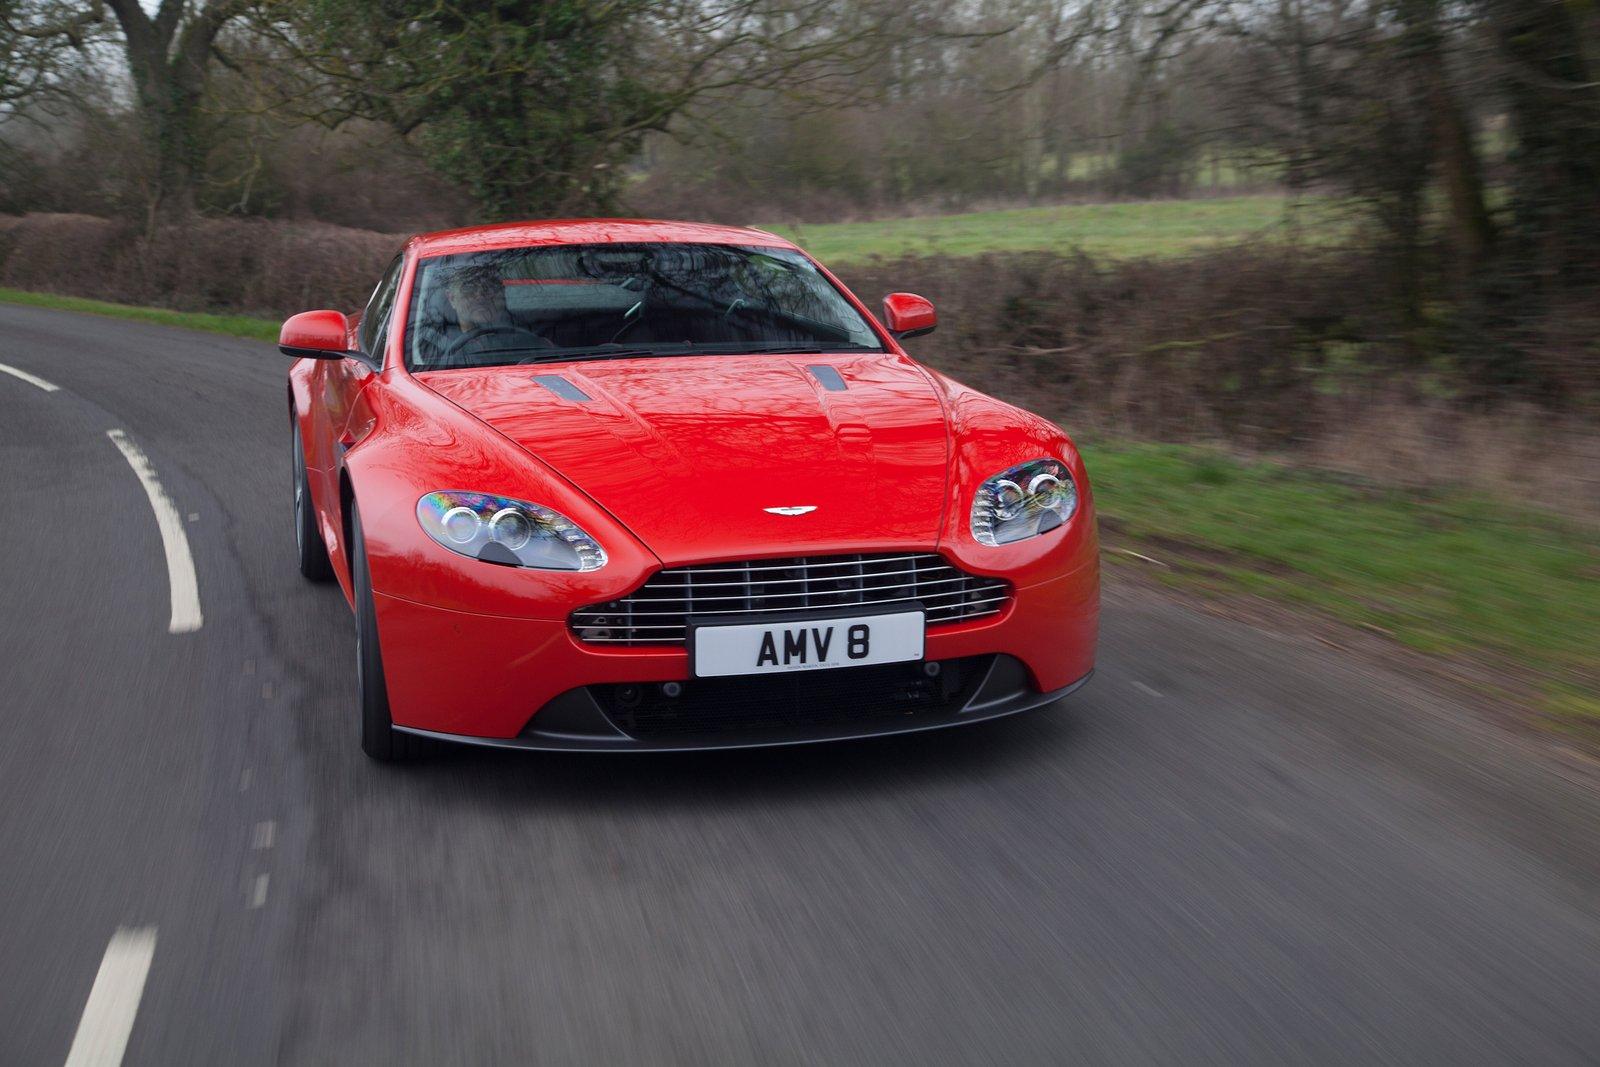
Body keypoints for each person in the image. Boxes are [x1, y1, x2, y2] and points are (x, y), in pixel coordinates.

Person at [436, 264, 551, 365]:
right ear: (451, 298)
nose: (480, 296)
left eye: (489, 288)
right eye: (469, 289)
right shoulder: (433, 349)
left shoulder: (534, 344)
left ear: (502, 293)